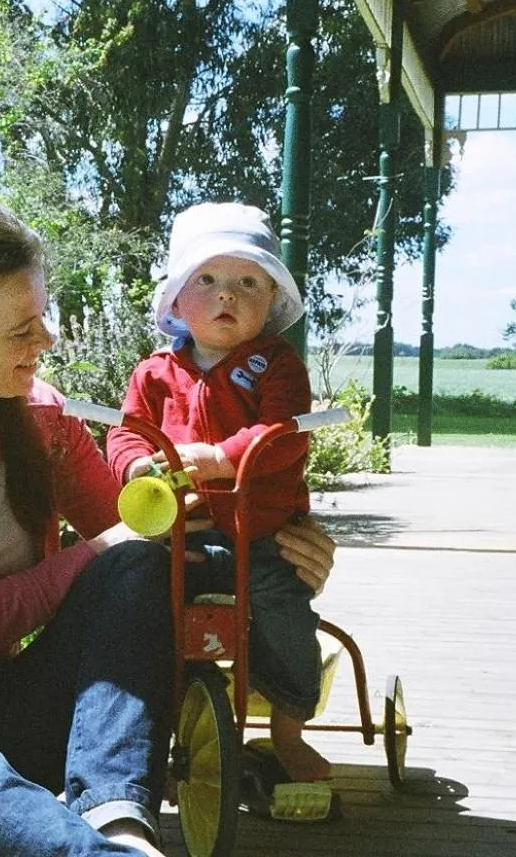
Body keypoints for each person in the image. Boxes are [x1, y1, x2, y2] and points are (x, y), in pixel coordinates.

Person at [0, 197, 337, 857]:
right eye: (21, 330)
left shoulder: (38, 416)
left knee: (139, 571)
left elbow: (146, 543)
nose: (46, 341)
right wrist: (101, 549)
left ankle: (119, 824)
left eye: (42, 316)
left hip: (0, 726)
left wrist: (282, 544)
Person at [106, 201, 331, 785]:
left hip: (261, 534)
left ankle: (288, 731)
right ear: (177, 300)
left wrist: (222, 458)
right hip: (180, 532)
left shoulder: (278, 366)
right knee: (142, 609)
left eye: (247, 282)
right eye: (206, 280)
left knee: (282, 610)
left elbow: (285, 436)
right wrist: (134, 469)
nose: (226, 295)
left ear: (272, 302)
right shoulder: (154, 373)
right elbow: (126, 433)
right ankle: (144, 725)